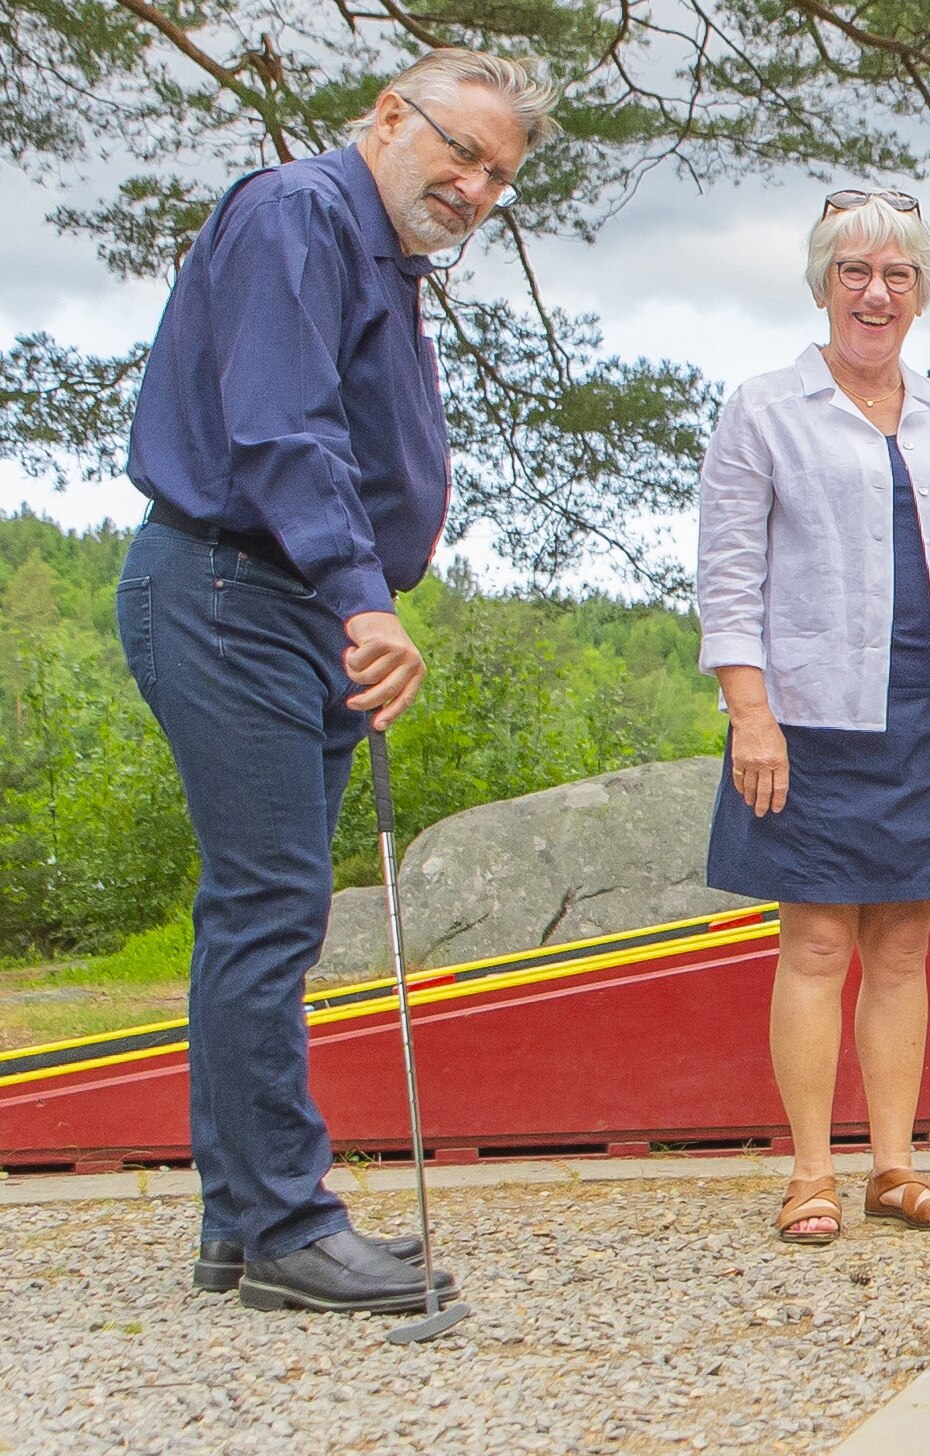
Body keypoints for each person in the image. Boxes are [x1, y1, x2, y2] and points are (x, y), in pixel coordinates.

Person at [118, 50, 559, 1312]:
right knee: (267, 907)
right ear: (388, 116)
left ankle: (238, 1218)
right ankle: (286, 1226)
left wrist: (354, 593)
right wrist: (365, 599)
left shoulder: (382, 255)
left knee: (264, 912)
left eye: (498, 176)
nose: (476, 189)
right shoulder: (299, 214)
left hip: (289, 602)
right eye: (461, 153)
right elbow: (279, 426)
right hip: (233, 589)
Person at [697, 188, 930, 1245]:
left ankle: (893, 1168)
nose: (875, 293)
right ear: (822, 285)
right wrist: (749, 714)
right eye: (854, 272)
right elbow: (727, 576)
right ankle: (811, 1174)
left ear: (921, 292)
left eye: (896, 275)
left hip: (927, 716)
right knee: (813, 943)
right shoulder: (764, 408)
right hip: (806, 719)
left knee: (901, 948)